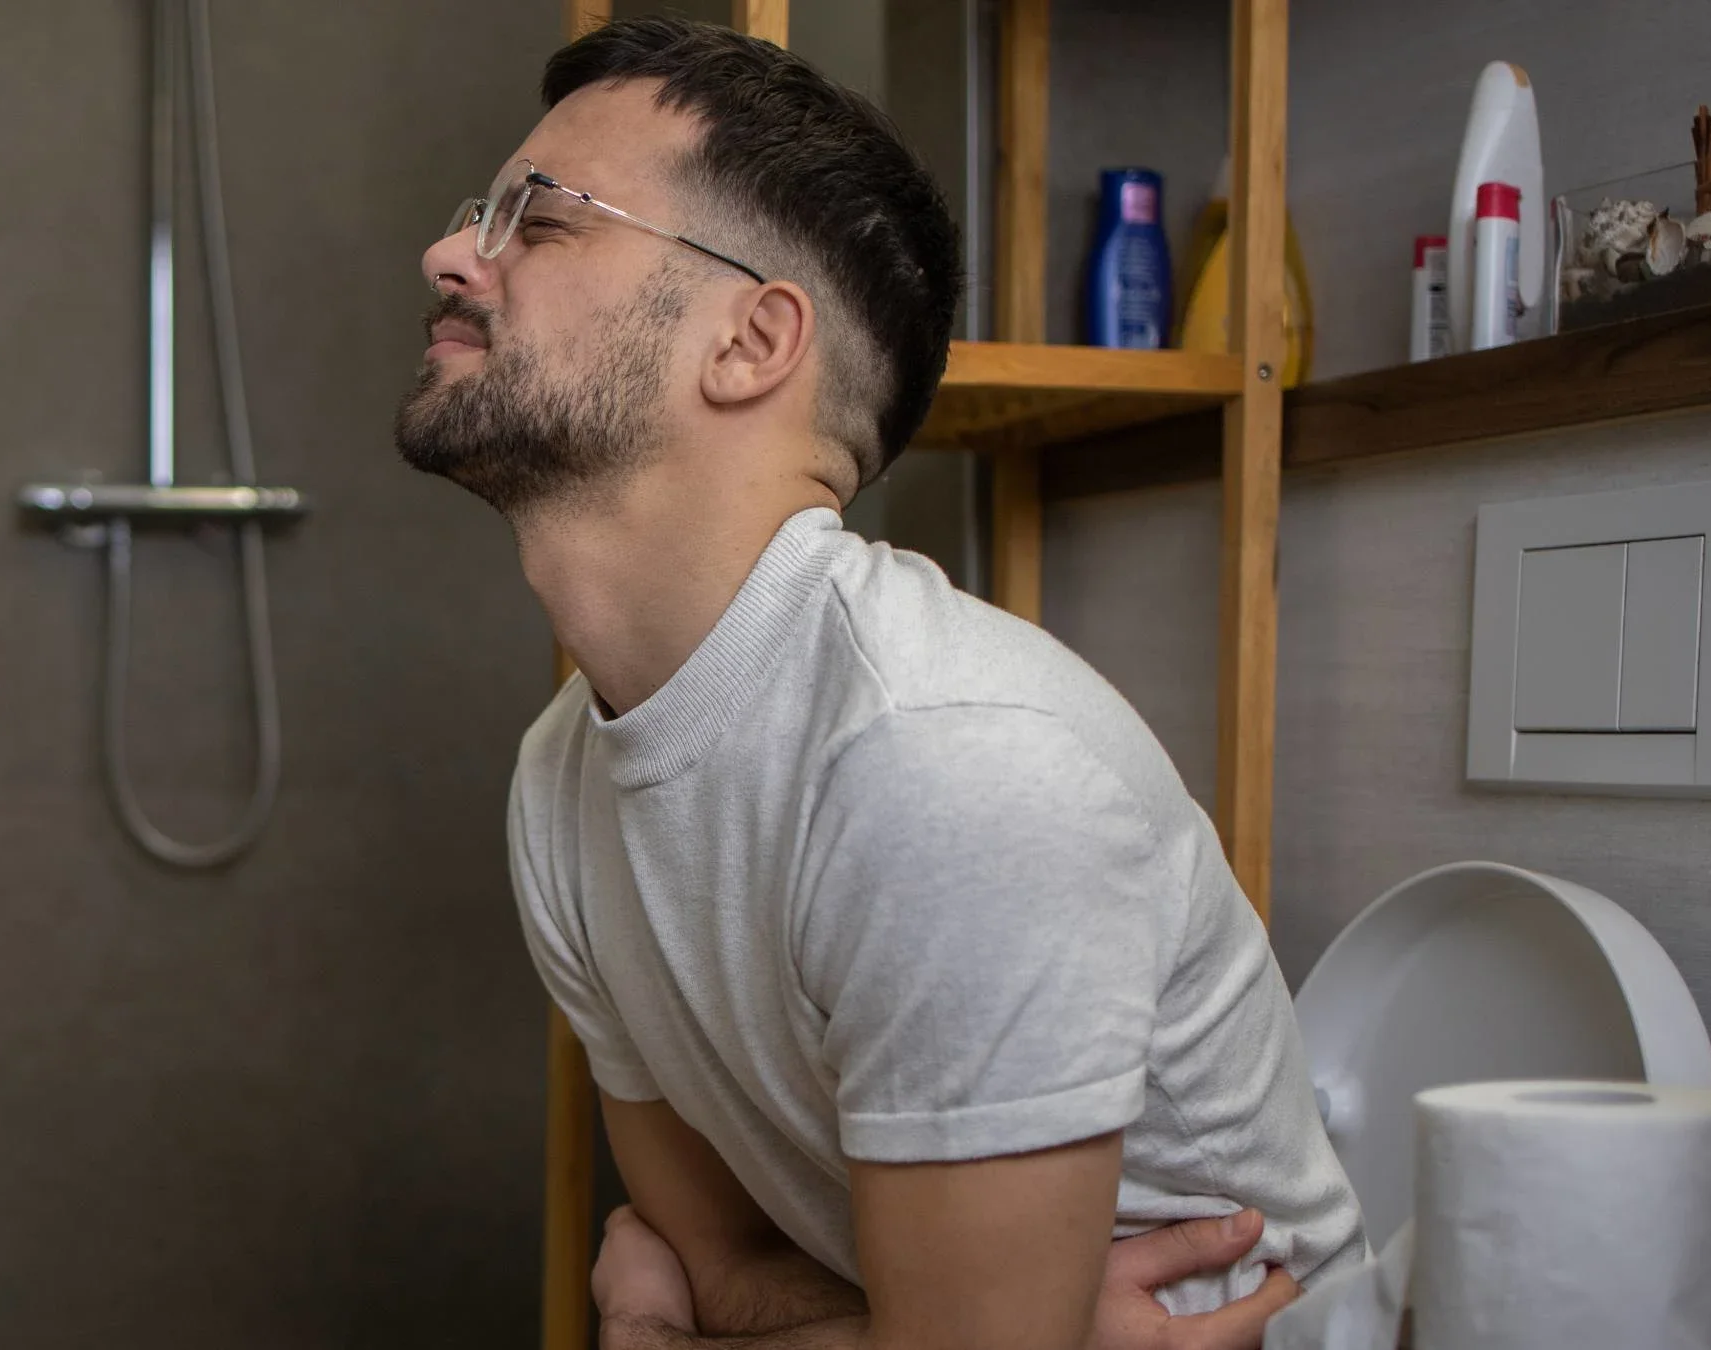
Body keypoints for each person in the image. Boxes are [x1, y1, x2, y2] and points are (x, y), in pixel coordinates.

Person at [394, 16, 1364, 1350]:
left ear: (749, 341)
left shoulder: (945, 765)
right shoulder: (564, 776)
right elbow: (718, 1258)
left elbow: (700, 1297)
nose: (451, 256)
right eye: (478, 219)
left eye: (541, 223)